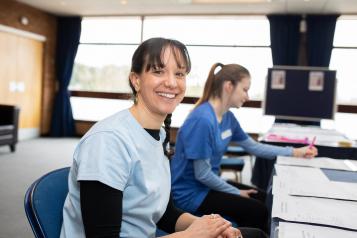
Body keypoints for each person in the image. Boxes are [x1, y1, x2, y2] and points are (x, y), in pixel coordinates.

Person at [60, 38, 253, 238]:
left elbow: (165, 215)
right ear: (136, 80)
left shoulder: (158, 135)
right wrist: (192, 235)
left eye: (179, 74)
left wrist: (211, 226)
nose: (171, 82)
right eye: (158, 71)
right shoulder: (107, 141)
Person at [170, 63, 318, 234]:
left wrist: (294, 152)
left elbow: (254, 147)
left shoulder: (228, 118)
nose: (247, 96)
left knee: (264, 198)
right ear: (228, 86)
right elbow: (202, 174)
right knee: (257, 210)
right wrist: (236, 192)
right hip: (191, 193)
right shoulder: (202, 120)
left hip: (207, 185)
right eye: (245, 89)